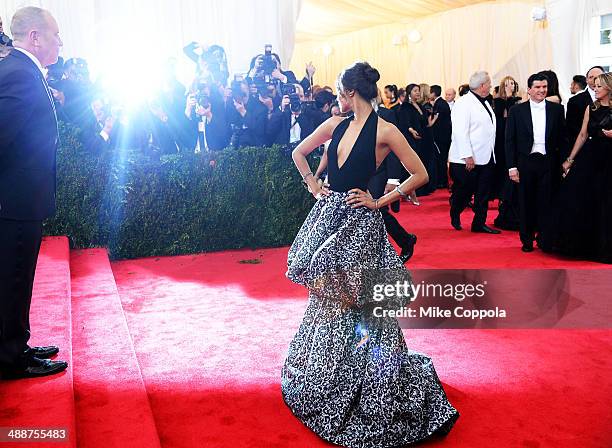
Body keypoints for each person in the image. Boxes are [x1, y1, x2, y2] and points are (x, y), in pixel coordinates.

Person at [282, 61, 458, 447]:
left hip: (361, 226)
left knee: (362, 305)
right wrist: (314, 184)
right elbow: (299, 152)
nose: (338, 99)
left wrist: (380, 200)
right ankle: (332, 375)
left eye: (340, 93)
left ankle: (367, 381)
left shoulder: (386, 130)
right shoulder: (334, 125)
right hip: (329, 219)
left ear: (349, 93)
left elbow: (421, 172)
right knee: (330, 302)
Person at [0, 6, 68, 379]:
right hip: (13, 202)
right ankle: (10, 357)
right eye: (55, 34)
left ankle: (15, 344)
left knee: (15, 277)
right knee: (12, 278)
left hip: (19, 199)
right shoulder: (18, 74)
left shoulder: (22, 71)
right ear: (35, 37)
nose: (60, 41)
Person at [505, 73, 568, 252]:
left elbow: (563, 138)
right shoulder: (517, 111)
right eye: (538, 87)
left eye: (544, 87)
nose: (542, 90)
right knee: (525, 201)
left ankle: (544, 238)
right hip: (525, 161)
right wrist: (512, 167)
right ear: (530, 90)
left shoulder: (556, 110)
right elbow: (509, 141)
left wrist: (564, 162)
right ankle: (526, 238)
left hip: (549, 162)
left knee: (547, 201)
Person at [553, 72, 612, 263]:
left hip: (609, 160)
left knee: (606, 201)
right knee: (583, 198)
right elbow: (582, 135)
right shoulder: (591, 108)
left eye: (599, 86)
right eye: (594, 86)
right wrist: (570, 159)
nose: (595, 89)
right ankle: (584, 245)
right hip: (591, 158)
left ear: (609, 89)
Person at [448, 70, 500, 233]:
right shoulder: (463, 103)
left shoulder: (484, 101)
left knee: (483, 192)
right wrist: (467, 156)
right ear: (482, 85)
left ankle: (479, 223)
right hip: (465, 159)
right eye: (489, 83)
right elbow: (459, 131)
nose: (491, 86)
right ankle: (455, 211)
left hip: (486, 156)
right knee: (464, 191)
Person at [566, 66, 605, 150]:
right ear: (586, 80)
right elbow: (572, 128)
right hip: (586, 149)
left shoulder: (610, 98)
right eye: (591, 77)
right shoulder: (575, 101)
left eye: (598, 76)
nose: (595, 80)